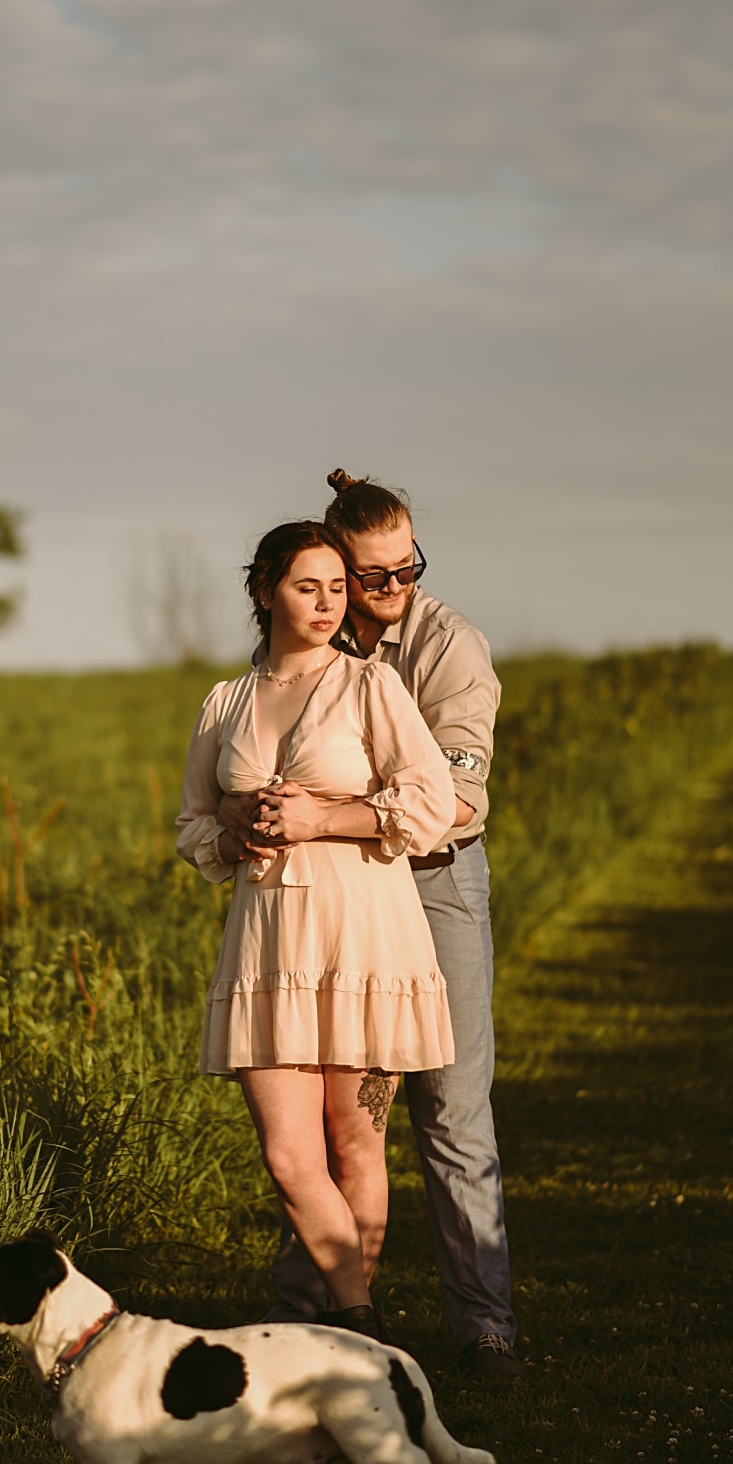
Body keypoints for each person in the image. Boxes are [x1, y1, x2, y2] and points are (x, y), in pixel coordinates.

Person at [217, 471, 523, 1382]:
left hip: (432, 882)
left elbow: (456, 801)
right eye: (371, 574)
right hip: (329, 900)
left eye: (407, 568)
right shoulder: (310, 638)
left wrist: (320, 814)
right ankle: (306, 1308)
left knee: (450, 1107)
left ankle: (484, 1327)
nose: (394, 590)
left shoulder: (450, 646)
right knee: (317, 1118)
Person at [176, 521, 457, 1340]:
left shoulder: (371, 686)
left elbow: (432, 804)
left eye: (338, 586)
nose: (330, 602)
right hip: (268, 943)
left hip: (363, 932)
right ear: (265, 591)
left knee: (355, 1144)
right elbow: (193, 820)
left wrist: (323, 816)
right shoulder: (225, 701)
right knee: (290, 1156)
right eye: (310, 586)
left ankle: (349, 1331)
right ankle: (360, 1325)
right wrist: (234, 838)